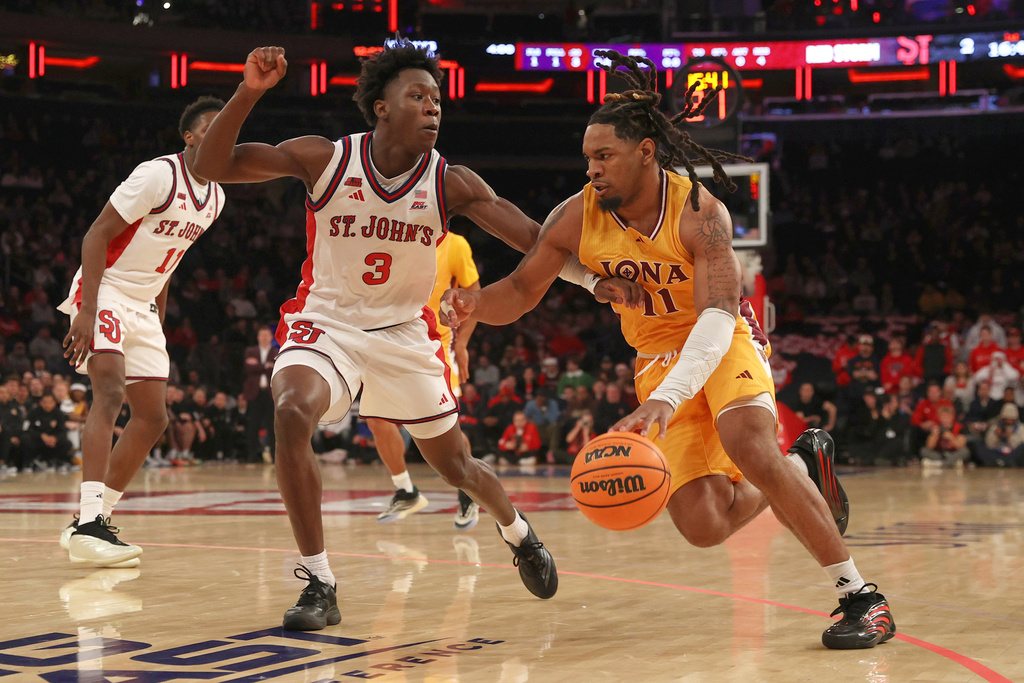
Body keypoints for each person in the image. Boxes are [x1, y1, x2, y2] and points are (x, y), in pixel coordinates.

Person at [440, 50, 894, 649]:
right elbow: (521, 291)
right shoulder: (576, 215)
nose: (593, 168)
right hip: (655, 358)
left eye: (605, 156)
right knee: (705, 526)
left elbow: (716, 316)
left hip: (721, 340)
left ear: (646, 152)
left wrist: (667, 401)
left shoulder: (701, 213)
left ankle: (861, 598)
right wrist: (475, 303)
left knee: (751, 446)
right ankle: (807, 464)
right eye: (588, 158)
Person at [193, 43, 632, 631]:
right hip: (326, 323)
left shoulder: (450, 182)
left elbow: (534, 237)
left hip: (404, 334)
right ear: (380, 106)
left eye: (437, 99)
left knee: (457, 468)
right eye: (418, 96)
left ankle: (519, 534)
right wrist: (248, 91)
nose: (433, 108)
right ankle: (319, 582)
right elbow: (212, 166)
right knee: (293, 409)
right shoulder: (324, 158)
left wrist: (592, 280)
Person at [56, 96, 227, 568]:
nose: (222, 136)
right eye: (211, 128)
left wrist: (159, 316)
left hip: (143, 304)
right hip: (105, 288)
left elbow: (170, 259)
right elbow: (96, 235)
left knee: (154, 418)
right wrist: (86, 310)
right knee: (109, 394)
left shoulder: (217, 197)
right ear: (190, 137)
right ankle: (89, 521)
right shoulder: (157, 175)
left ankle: (92, 522)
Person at [369, 230, 482, 529]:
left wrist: (462, 344)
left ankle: (469, 492)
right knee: (376, 418)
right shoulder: (395, 237)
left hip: (435, 344)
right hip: (390, 340)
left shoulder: (456, 244)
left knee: (444, 429)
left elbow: (475, 296)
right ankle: (406, 490)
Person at [242, 327, 277, 463]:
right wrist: (266, 366)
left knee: (272, 426)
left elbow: (275, 368)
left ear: (271, 337)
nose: (264, 337)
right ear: (258, 337)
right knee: (252, 425)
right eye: (261, 335)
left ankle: (274, 456)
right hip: (254, 393)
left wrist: (260, 366)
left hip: (269, 393)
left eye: (266, 335)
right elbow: (249, 368)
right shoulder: (251, 351)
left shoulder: (275, 352)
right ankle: (251, 456)